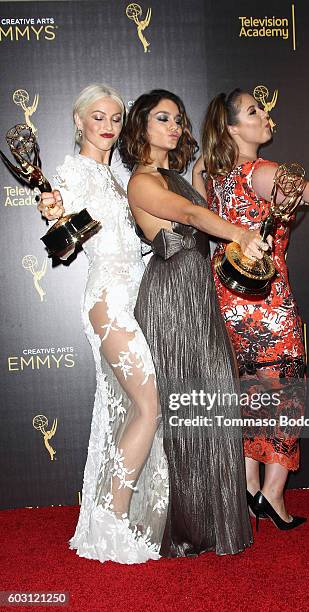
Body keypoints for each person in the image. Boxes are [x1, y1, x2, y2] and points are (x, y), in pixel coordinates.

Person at [193, 88, 309, 529]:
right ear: (233, 128)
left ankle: (250, 486)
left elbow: (203, 179)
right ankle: (274, 496)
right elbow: (306, 190)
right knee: (284, 392)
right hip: (268, 302)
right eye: (254, 111)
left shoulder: (211, 173)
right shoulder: (260, 171)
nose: (266, 114)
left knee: (247, 393)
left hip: (225, 298)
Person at [120, 89, 268, 557]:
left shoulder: (177, 176)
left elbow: (202, 196)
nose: (175, 127)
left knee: (215, 403)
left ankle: (215, 523)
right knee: (187, 413)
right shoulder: (143, 182)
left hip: (198, 294)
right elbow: (188, 214)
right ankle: (189, 529)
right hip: (170, 300)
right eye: (163, 118)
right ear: (141, 126)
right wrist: (239, 234)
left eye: (179, 120)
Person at [37, 84, 168, 563]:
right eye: (98, 116)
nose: (109, 125)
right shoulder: (72, 172)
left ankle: (113, 515)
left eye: (116, 117)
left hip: (135, 298)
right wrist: (53, 213)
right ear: (79, 122)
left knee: (135, 408)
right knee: (147, 405)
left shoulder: (117, 176)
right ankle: (111, 521)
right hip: (109, 300)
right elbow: (64, 243)